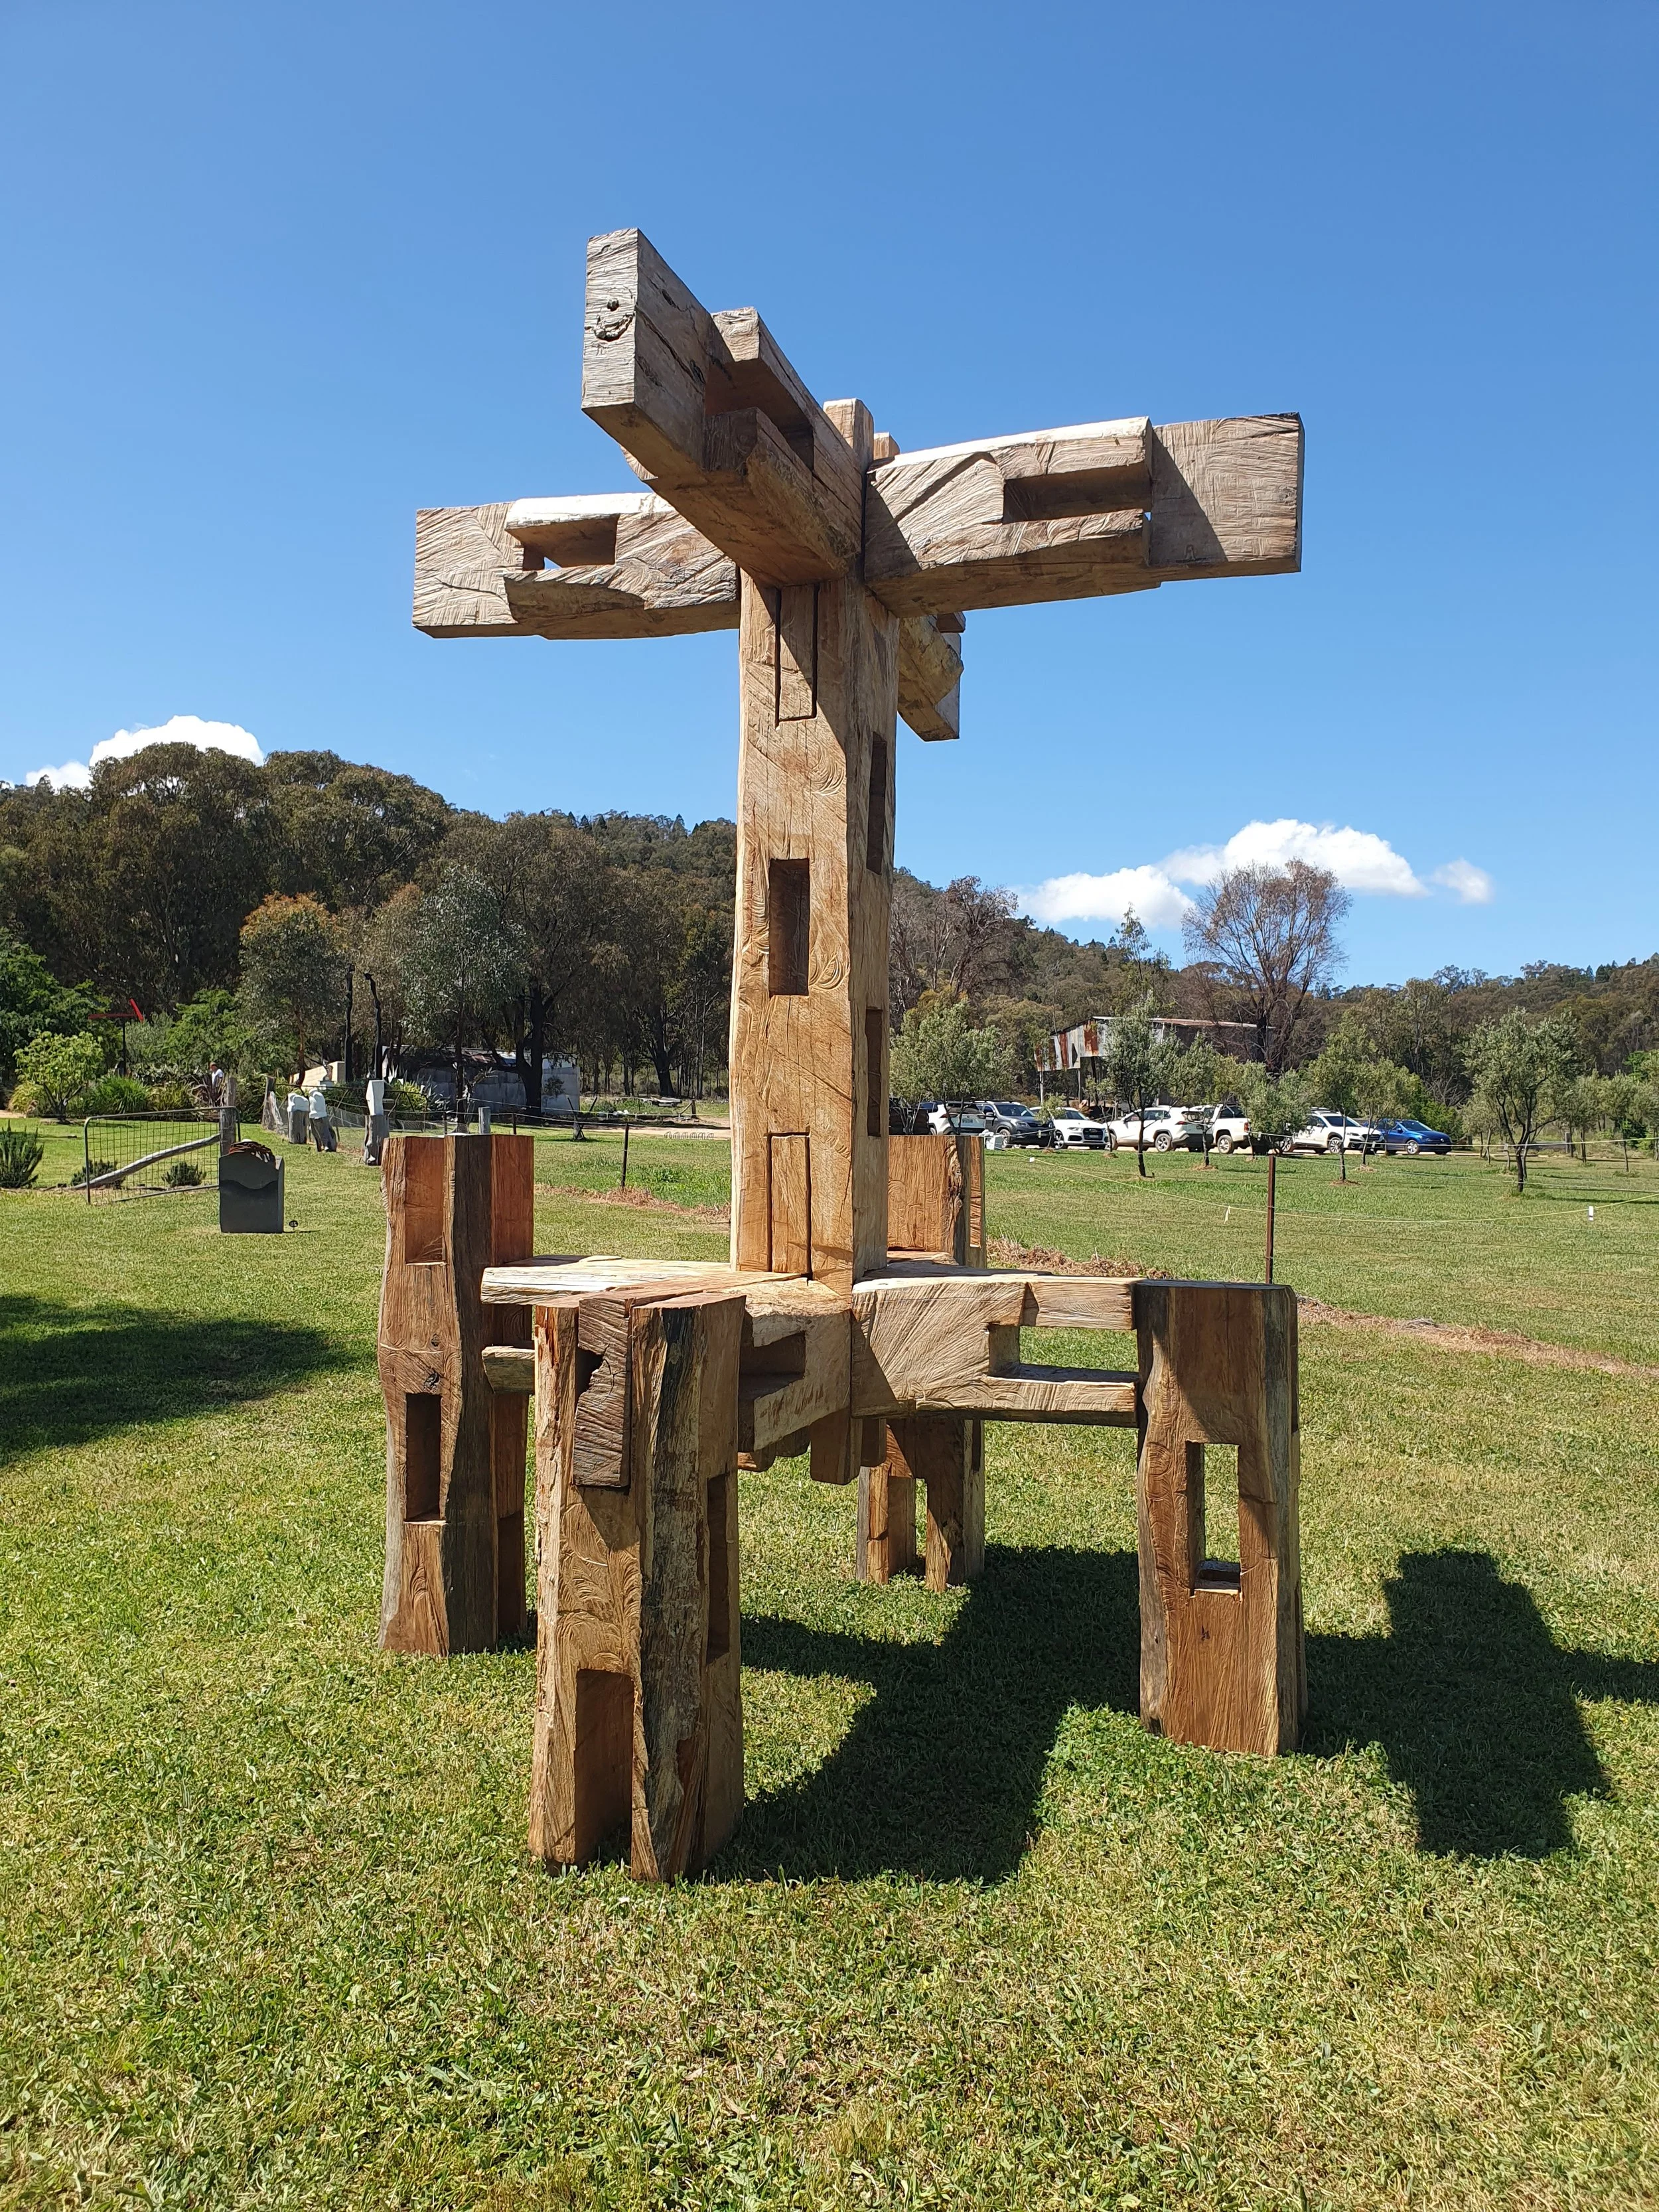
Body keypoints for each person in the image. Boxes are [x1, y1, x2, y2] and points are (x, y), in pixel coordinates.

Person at [307, 1082, 337, 1153]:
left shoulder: (316, 1096)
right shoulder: (317, 1096)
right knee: (316, 1132)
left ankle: (327, 1146)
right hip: (317, 1115)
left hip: (318, 1116)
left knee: (322, 1132)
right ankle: (321, 1146)